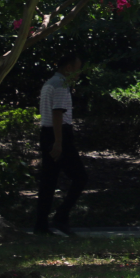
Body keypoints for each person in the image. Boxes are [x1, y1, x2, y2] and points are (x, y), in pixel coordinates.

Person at [35, 57, 87, 236]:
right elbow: (57, 113)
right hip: (59, 133)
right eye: (78, 68)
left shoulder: (50, 83)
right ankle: (61, 215)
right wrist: (59, 142)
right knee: (80, 177)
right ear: (69, 66)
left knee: (48, 181)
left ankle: (41, 225)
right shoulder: (60, 85)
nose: (79, 73)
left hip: (47, 133)